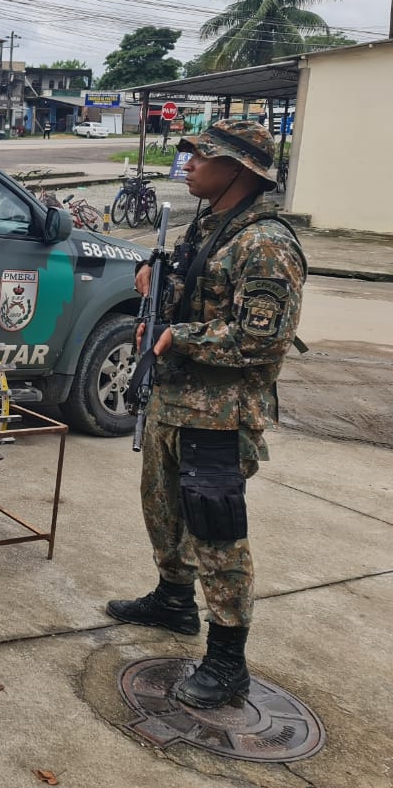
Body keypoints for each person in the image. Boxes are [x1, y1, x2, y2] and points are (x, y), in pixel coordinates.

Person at [107, 118, 306, 710]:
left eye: (200, 155)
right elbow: (192, 293)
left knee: (218, 535)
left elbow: (259, 340)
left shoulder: (264, 243)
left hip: (219, 415)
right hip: (175, 402)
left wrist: (179, 336)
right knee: (163, 511)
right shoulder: (211, 227)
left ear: (239, 170)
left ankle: (227, 661)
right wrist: (153, 279)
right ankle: (172, 600)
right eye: (189, 151)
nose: (188, 162)